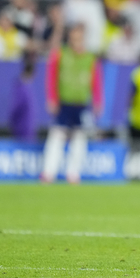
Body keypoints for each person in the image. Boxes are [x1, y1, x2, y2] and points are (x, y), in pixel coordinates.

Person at [41, 13, 102, 184]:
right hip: (64, 102)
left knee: (79, 138)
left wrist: (97, 101)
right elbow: (51, 77)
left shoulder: (90, 58)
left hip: (81, 102)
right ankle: (49, 172)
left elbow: (96, 80)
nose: (76, 42)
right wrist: (51, 98)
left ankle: (73, 174)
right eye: (74, 38)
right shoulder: (61, 55)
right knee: (57, 136)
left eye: (79, 38)